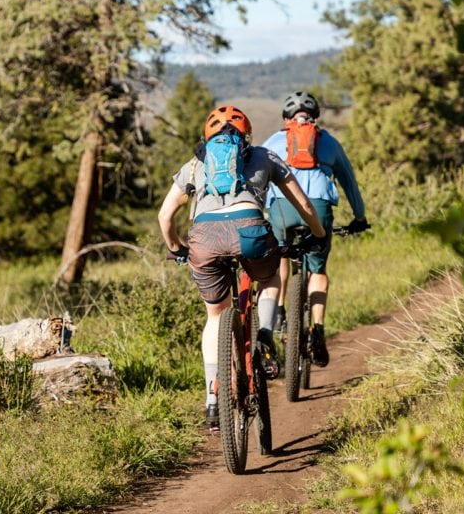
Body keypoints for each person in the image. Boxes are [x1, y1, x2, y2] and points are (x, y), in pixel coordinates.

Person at [158, 105, 326, 429]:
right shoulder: (264, 156)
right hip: (250, 229)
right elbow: (303, 204)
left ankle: (212, 399)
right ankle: (264, 335)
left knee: (215, 315)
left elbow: (165, 216)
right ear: (246, 134)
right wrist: (317, 236)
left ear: (208, 137)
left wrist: (178, 248)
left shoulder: (196, 163)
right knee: (272, 279)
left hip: (204, 237)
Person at [261, 91, 370, 368]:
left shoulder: (273, 142)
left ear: (286, 119)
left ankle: (280, 313)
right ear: (315, 117)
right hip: (319, 209)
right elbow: (349, 182)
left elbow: (256, 176)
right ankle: (317, 329)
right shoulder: (330, 143)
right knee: (318, 270)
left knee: (281, 257)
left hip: (282, 209)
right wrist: (359, 217)